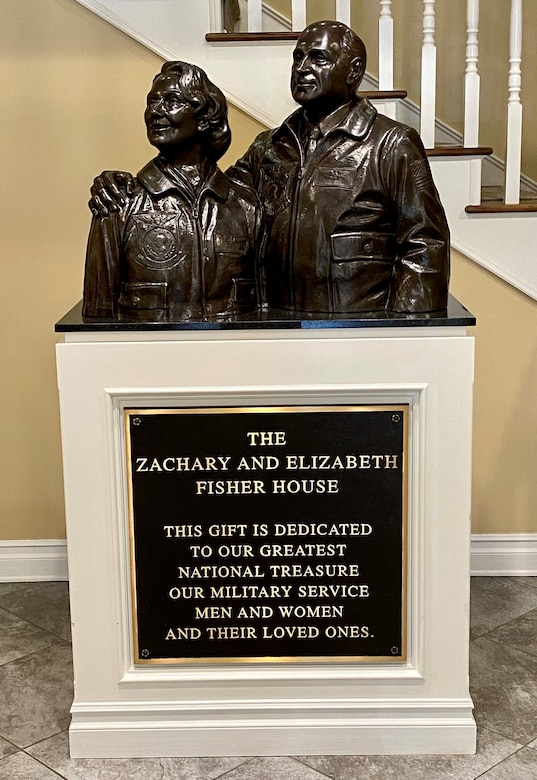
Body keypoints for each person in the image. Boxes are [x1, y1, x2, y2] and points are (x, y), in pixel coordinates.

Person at [90, 21, 449, 314]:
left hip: (359, 326)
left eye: (318, 58)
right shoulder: (270, 146)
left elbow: (426, 244)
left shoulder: (389, 144)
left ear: (353, 71)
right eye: (298, 58)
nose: (303, 68)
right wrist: (123, 185)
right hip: (279, 327)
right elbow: (217, 201)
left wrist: (406, 330)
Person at [83, 61, 260, 322]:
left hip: (232, 360)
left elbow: (266, 309)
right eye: (152, 101)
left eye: (172, 101)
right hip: (146, 360)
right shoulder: (119, 204)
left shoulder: (246, 208)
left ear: (203, 118)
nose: (155, 111)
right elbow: (98, 316)